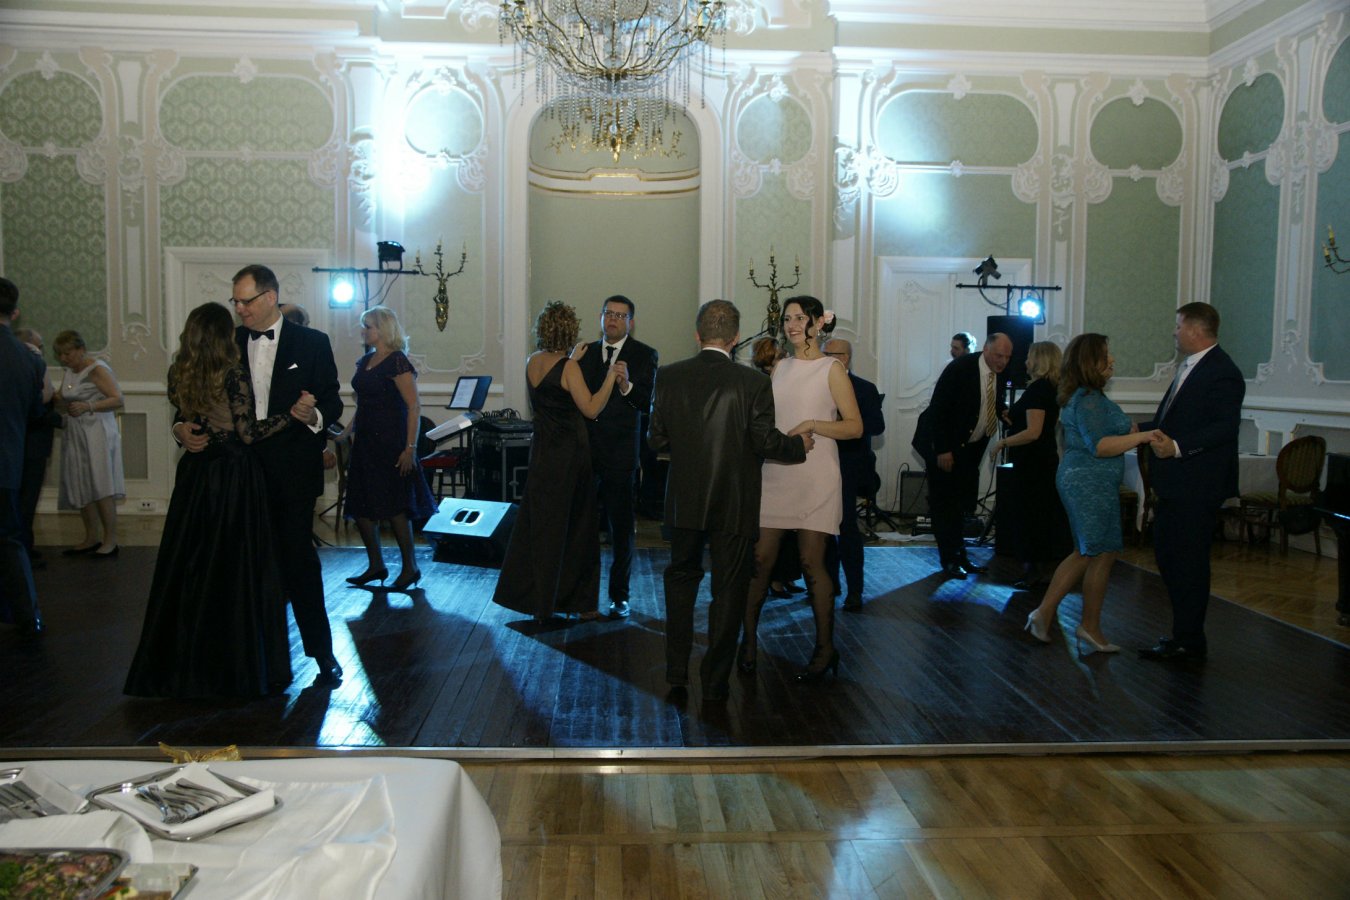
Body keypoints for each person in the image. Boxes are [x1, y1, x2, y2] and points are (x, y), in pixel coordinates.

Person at [174, 264, 344, 686]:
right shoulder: (227, 341)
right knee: (236, 567)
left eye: (245, 301)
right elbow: (192, 397)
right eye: (235, 301)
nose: (239, 309)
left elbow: (333, 402)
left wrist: (313, 414)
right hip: (234, 476)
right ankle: (244, 660)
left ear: (270, 297)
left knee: (297, 562)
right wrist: (179, 428)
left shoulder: (313, 343)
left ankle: (321, 653)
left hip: (291, 474)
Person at [125, 302, 303, 697]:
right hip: (234, 477)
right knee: (234, 571)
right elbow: (248, 433)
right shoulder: (232, 372)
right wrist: (291, 416)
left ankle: (183, 665)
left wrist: (182, 428)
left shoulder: (180, 371)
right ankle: (232, 667)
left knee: (190, 566)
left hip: (196, 475)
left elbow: (185, 415)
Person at [649, 299, 810, 701]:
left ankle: (676, 671)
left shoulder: (667, 376)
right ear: (736, 337)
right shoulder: (753, 383)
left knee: (680, 581)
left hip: (684, 499)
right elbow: (765, 441)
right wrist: (798, 446)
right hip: (735, 500)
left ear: (697, 334)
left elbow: (656, 440)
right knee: (729, 589)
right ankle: (716, 682)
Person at [742, 296, 863, 683]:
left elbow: (854, 427)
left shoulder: (832, 369)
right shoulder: (780, 367)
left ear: (817, 323)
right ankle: (747, 644)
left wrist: (812, 423)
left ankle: (825, 649)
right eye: (787, 318)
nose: (792, 324)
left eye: (799, 318)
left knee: (813, 563)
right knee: (760, 560)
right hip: (777, 473)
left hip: (816, 476)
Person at [1024, 334, 1159, 654]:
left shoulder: (1092, 397)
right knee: (1088, 551)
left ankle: (1088, 626)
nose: (1112, 360)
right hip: (1087, 482)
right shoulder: (1087, 399)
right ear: (1090, 362)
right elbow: (1099, 446)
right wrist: (1143, 437)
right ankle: (1046, 614)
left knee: (1102, 552)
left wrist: (1132, 431)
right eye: (1105, 355)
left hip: (1096, 482)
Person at [493, 301, 623, 620]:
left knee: (543, 527)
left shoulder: (533, 360)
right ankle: (581, 604)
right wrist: (610, 377)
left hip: (542, 454)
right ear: (569, 330)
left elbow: (554, 390)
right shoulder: (569, 368)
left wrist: (571, 360)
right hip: (569, 456)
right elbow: (590, 408)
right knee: (578, 528)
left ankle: (540, 602)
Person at [1138, 302, 1244, 662]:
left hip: (1197, 485)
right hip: (1177, 485)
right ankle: (1183, 635)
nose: (1175, 332)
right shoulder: (1192, 366)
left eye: (1179, 325)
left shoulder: (1222, 371)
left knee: (1188, 563)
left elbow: (1224, 427)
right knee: (1170, 557)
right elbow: (1173, 420)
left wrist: (1178, 447)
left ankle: (1190, 641)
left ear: (1196, 330)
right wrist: (1141, 430)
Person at [342, 306, 436, 591]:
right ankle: (376, 565)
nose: (363, 331)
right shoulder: (366, 361)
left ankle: (410, 567)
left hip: (390, 441)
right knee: (361, 504)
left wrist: (410, 447)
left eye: (367, 326)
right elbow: (364, 405)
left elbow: (413, 406)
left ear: (383, 329)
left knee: (395, 504)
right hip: (366, 442)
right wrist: (346, 432)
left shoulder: (397, 360)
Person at [577, 295, 658, 618]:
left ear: (630, 323)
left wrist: (626, 386)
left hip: (620, 455)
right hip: (585, 452)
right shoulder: (583, 353)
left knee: (620, 530)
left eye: (620, 315)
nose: (612, 319)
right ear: (600, 317)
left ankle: (619, 596)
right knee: (582, 527)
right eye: (608, 313)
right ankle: (581, 596)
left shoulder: (644, 354)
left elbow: (647, 403)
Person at [912, 333, 1013, 579]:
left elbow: (990, 401)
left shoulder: (999, 373)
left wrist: (1004, 412)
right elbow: (939, 409)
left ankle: (961, 557)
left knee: (959, 506)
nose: (1003, 361)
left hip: (970, 448)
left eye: (1007, 357)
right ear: (986, 350)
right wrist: (943, 449)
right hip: (943, 446)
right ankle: (949, 560)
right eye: (999, 355)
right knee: (944, 505)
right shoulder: (960, 368)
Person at [989, 340, 1071, 588]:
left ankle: (1034, 572)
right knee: (1040, 515)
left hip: (1033, 464)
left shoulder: (1037, 390)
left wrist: (1003, 442)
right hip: (1042, 460)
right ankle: (1039, 570)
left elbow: (1034, 432)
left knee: (1031, 516)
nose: (1025, 362)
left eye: (1029, 357)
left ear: (1039, 360)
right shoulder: (1050, 388)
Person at [822, 337, 886, 610]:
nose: (824, 358)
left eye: (829, 354)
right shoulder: (817, 386)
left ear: (844, 358)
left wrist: (847, 423)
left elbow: (877, 426)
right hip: (821, 465)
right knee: (822, 530)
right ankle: (828, 584)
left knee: (847, 528)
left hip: (849, 466)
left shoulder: (864, 388)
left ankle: (854, 591)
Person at [53, 329, 124, 558]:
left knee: (101, 484)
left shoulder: (97, 369)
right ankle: (91, 536)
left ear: (81, 350)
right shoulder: (69, 372)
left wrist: (89, 406)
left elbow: (117, 399)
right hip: (76, 432)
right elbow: (63, 398)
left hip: (97, 431)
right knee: (81, 481)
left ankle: (110, 540)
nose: (64, 358)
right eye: (60, 354)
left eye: (67, 353)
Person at [0, 277, 44, 634]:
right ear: (14, 313)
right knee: (10, 541)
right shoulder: (28, 359)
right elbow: (34, 413)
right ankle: (28, 616)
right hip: (8, 462)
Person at [15, 327, 58, 568]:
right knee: (27, 499)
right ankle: (22, 551)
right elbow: (41, 398)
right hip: (32, 442)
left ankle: (24, 547)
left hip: (22, 441)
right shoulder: (32, 362)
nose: (41, 350)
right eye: (39, 346)